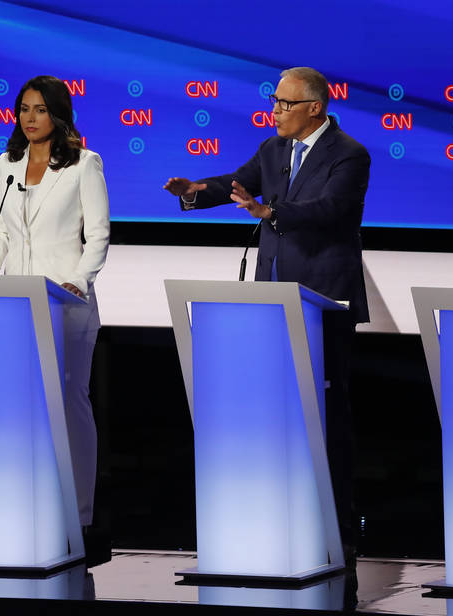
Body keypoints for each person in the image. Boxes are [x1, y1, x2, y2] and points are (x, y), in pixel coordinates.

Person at [162, 66, 370, 561]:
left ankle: (338, 530)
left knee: (327, 415)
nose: (274, 111)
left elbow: (331, 211)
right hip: (273, 299)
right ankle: (281, 518)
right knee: (275, 412)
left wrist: (271, 213)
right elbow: (238, 182)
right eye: (274, 101)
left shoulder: (350, 154)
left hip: (325, 301)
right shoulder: (273, 149)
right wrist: (195, 190)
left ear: (314, 107)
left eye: (284, 103)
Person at [0, 75, 110, 538]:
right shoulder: (7, 163)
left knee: (69, 401)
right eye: (23, 110)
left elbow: (97, 236)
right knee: (20, 404)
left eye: (39, 110)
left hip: (66, 304)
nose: (29, 119)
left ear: (57, 114)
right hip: (15, 302)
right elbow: (0, 230)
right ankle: (24, 503)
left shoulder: (83, 164)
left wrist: (78, 281)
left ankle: (79, 512)